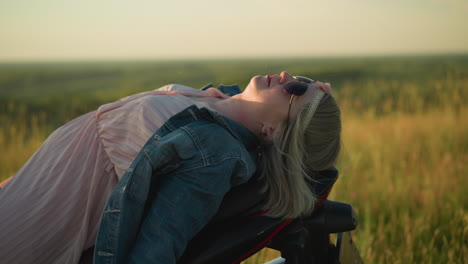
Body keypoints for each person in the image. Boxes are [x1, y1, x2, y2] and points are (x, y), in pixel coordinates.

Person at [0, 71, 340, 264]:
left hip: (28, 233)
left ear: (275, 132)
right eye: (302, 78)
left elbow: (160, 243)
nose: (284, 76)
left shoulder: (213, 156)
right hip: (19, 192)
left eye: (294, 89)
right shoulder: (221, 99)